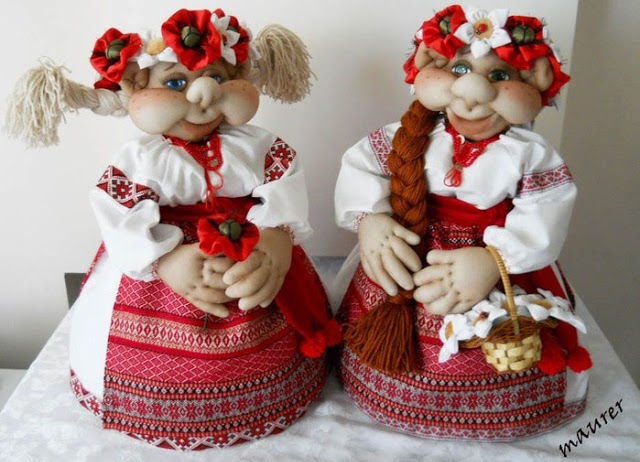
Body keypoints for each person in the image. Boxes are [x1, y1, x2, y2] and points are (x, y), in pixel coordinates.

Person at [7, 7, 339, 450]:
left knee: (263, 299)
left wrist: (276, 235)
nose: (203, 95)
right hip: (168, 259)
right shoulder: (141, 159)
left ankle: (275, 388)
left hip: (249, 246)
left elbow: (283, 185)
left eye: (216, 78)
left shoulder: (258, 146)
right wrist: (161, 258)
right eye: (176, 83)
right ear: (136, 88)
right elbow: (118, 210)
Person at [334, 5, 590, 440]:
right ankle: (384, 388)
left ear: (536, 82)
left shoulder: (530, 155)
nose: (472, 91)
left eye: (499, 76)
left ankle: (500, 409)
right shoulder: (406, 136)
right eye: (459, 68)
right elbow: (361, 167)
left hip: (495, 257)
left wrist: (495, 259)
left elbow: (545, 212)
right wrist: (370, 218)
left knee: (496, 336)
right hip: (412, 242)